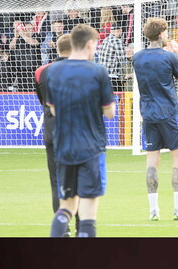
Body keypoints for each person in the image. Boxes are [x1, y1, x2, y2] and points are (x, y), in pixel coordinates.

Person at [44, 24, 117, 238]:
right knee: (88, 213)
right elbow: (110, 112)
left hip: (64, 147)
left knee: (66, 208)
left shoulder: (53, 71)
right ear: (89, 44)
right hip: (90, 146)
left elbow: (53, 109)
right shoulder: (98, 71)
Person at [132, 18, 178, 222]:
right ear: (161, 35)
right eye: (167, 33)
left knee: (152, 161)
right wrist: (177, 56)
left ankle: (153, 210)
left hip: (148, 113)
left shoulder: (137, 58)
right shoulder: (168, 57)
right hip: (169, 112)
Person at [33, 34, 76, 236]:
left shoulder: (41, 71)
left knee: (56, 182)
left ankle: (63, 229)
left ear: (57, 48)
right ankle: (82, 226)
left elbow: (42, 100)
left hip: (52, 133)